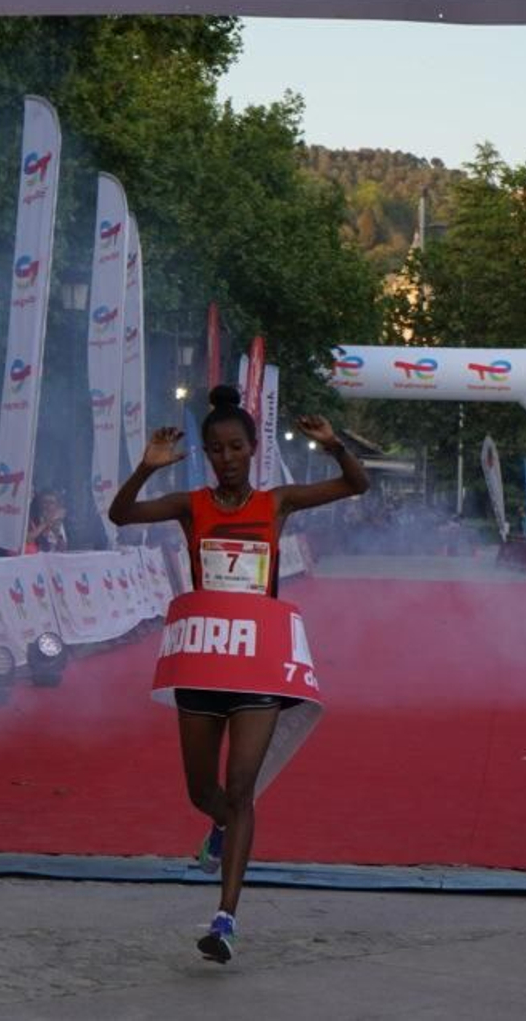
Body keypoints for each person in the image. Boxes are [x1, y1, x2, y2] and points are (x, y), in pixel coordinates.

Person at [109, 384, 369, 962]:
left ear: (254, 448)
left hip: (257, 664)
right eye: (215, 450)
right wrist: (146, 468)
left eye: (235, 447)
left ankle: (225, 917)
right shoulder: (190, 506)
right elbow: (121, 514)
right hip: (203, 657)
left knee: (242, 789)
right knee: (203, 792)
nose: (226, 459)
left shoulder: (276, 503)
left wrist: (335, 446)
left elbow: (356, 485)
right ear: (206, 454)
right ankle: (224, 832)